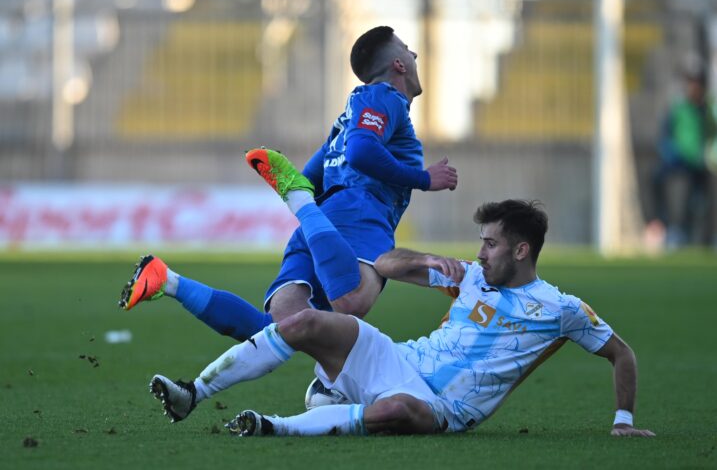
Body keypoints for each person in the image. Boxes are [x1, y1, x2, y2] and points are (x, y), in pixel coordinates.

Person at [148, 200, 655, 438]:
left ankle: (274, 427)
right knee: (302, 321)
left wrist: (623, 422)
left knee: (395, 413)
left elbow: (622, 353)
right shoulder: (468, 276)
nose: (480, 253)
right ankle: (193, 393)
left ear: (522, 251)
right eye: (480, 243)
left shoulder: (561, 309)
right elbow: (385, 264)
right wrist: (429, 262)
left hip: (443, 406)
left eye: (491, 244)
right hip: (397, 359)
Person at [118, 26, 457, 342]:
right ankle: (337, 388)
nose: (416, 56)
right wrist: (424, 179)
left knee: (277, 332)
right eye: (410, 52)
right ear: (398, 64)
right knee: (352, 303)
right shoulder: (383, 97)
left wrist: (321, 217)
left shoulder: (348, 118)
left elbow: (308, 177)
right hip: (358, 214)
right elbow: (362, 151)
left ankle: (167, 281)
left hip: (325, 224)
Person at [649, 65, 715, 247]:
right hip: (679, 160)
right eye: (690, 83)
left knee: (697, 195)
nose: (692, 87)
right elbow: (665, 134)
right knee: (656, 177)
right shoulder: (678, 108)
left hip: (701, 163)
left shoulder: (708, 109)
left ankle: (699, 234)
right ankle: (664, 225)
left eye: (696, 83)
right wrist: (669, 151)